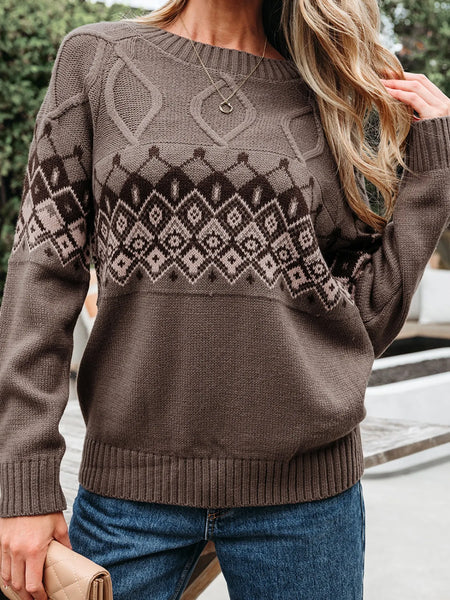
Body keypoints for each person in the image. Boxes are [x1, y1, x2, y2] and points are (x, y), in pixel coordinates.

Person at [0, 0, 449, 598]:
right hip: (128, 497)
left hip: (306, 502)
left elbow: (364, 318)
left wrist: (431, 176)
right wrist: (24, 484)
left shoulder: (331, 93)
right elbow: (41, 279)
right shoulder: (97, 60)